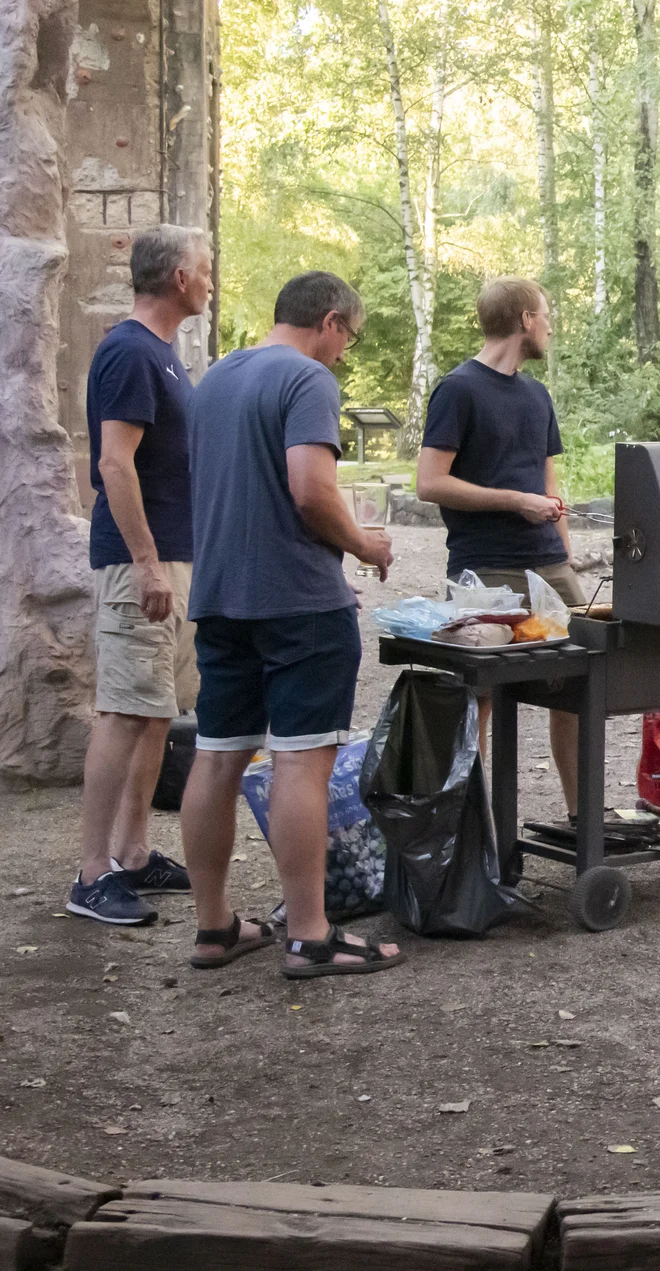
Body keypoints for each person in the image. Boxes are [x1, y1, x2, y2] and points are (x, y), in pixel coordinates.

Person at [178, 271, 403, 978]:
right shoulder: (307, 380)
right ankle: (310, 934)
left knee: (217, 756)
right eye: (349, 339)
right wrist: (365, 544)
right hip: (299, 605)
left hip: (220, 597)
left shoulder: (215, 379)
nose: (343, 353)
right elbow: (311, 491)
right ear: (329, 321)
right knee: (303, 759)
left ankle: (213, 926)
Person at [69, 225, 212, 925]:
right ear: (179, 277)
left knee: (156, 711)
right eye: (205, 268)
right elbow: (113, 464)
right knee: (125, 710)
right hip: (138, 563)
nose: (211, 279)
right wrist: (149, 563)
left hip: (173, 557)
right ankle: (92, 871)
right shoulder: (128, 351)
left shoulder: (162, 354)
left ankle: (132, 851)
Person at [416, 277, 583, 816]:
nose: (551, 325)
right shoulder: (458, 389)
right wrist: (515, 500)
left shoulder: (538, 394)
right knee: (479, 699)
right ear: (524, 319)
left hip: (549, 565)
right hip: (484, 568)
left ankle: (583, 820)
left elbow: (549, 486)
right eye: (547, 313)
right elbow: (430, 483)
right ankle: (473, 836)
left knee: (581, 686)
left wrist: (565, 556)